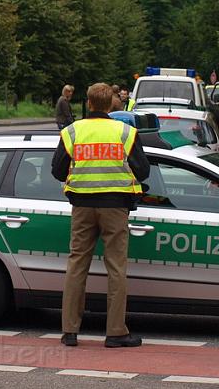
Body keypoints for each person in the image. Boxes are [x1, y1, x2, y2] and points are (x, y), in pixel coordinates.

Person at [51, 82, 150, 348]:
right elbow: (143, 171)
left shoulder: (73, 131)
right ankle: (115, 332)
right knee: (116, 268)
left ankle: (69, 331)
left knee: (76, 266)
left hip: (81, 207)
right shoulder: (125, 132)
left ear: (89, 103)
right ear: (111, 105)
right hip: (115, 207)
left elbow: (58, 171)